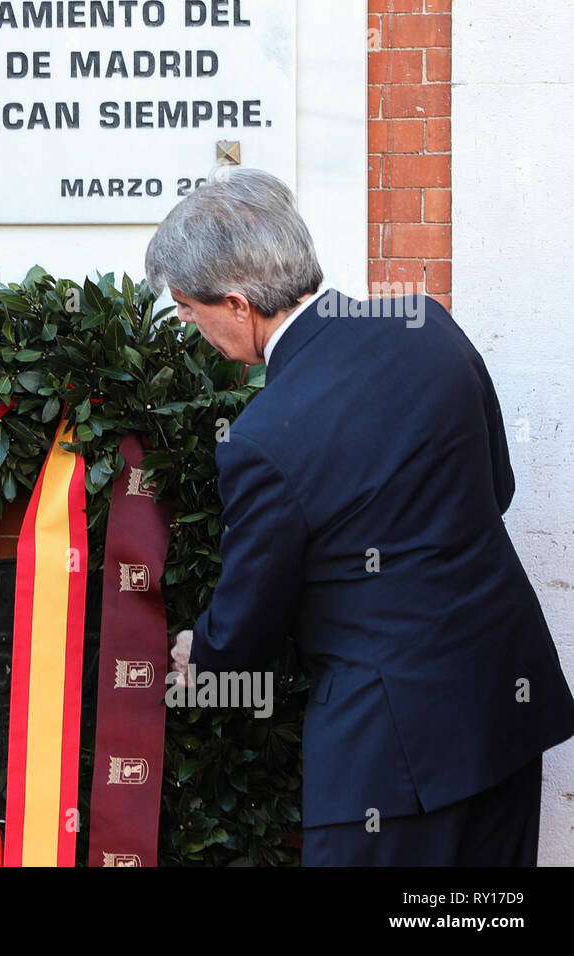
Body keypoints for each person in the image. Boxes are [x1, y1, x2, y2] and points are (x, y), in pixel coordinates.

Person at [148, 167, 574, 866]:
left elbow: (250, 625)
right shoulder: (429, 326)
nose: (190, 326)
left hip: (391, 755)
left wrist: (208, 652)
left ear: (236, 303)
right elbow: (496, 487)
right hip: (504, 706)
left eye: (189, 309)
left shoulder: (262, 437)